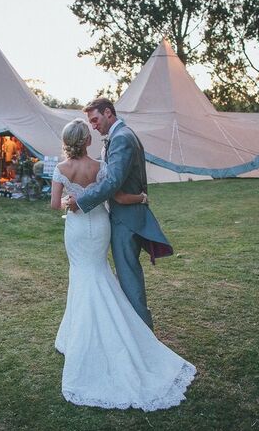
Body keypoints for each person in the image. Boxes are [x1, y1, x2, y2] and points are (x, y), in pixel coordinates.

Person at [51, 119, 195, 411]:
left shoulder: (61, 169)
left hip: (77, 229)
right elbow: (115, 195)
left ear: (67, 141)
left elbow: (55, 205)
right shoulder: (100, 167)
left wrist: (70, 200)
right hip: (101, 226)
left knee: (81, 275)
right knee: (99, 272)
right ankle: (90, 329)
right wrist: (141, 197)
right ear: (87, 141)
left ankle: (81, 336)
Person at [66, 97, 173, 330]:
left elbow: (113, 181)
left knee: (128, 276)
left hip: (126, 219)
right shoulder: (120, 136)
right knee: (125, 275)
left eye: (95, 120)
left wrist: (82, 200)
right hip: (125, 214)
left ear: (108, 113)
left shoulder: (122, 138)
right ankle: (134, 330)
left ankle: (143, 335)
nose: (93, 125)